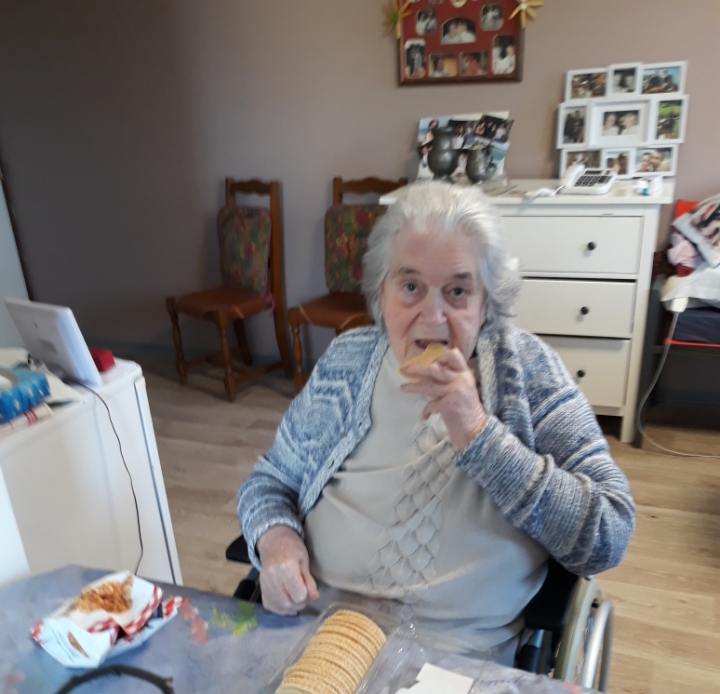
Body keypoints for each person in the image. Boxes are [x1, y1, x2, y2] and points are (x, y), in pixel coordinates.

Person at [237, 182, 635, 663]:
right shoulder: (347, 362)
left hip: (452, 659)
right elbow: (270, 481)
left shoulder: (528, 371)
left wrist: (480, 434)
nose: (432, 315)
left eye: (458, 291)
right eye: (410, 287)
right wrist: (275, 540)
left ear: (487, 302)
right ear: (380, 293)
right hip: (316, 631)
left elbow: (608, 533)